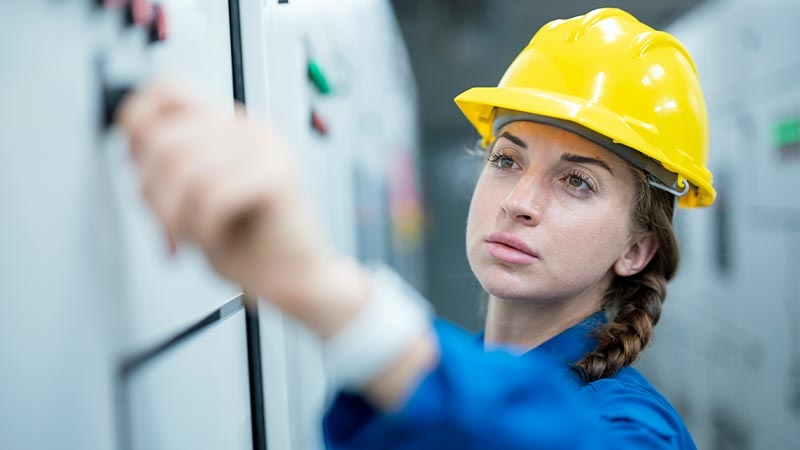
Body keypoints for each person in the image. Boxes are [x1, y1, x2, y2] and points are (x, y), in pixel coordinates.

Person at [118, 7, 714, 449]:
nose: (520, 203)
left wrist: (322, 289)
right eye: (507, 160)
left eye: (576, 181)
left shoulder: (634, 423)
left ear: (636, 250)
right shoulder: (457, 373)